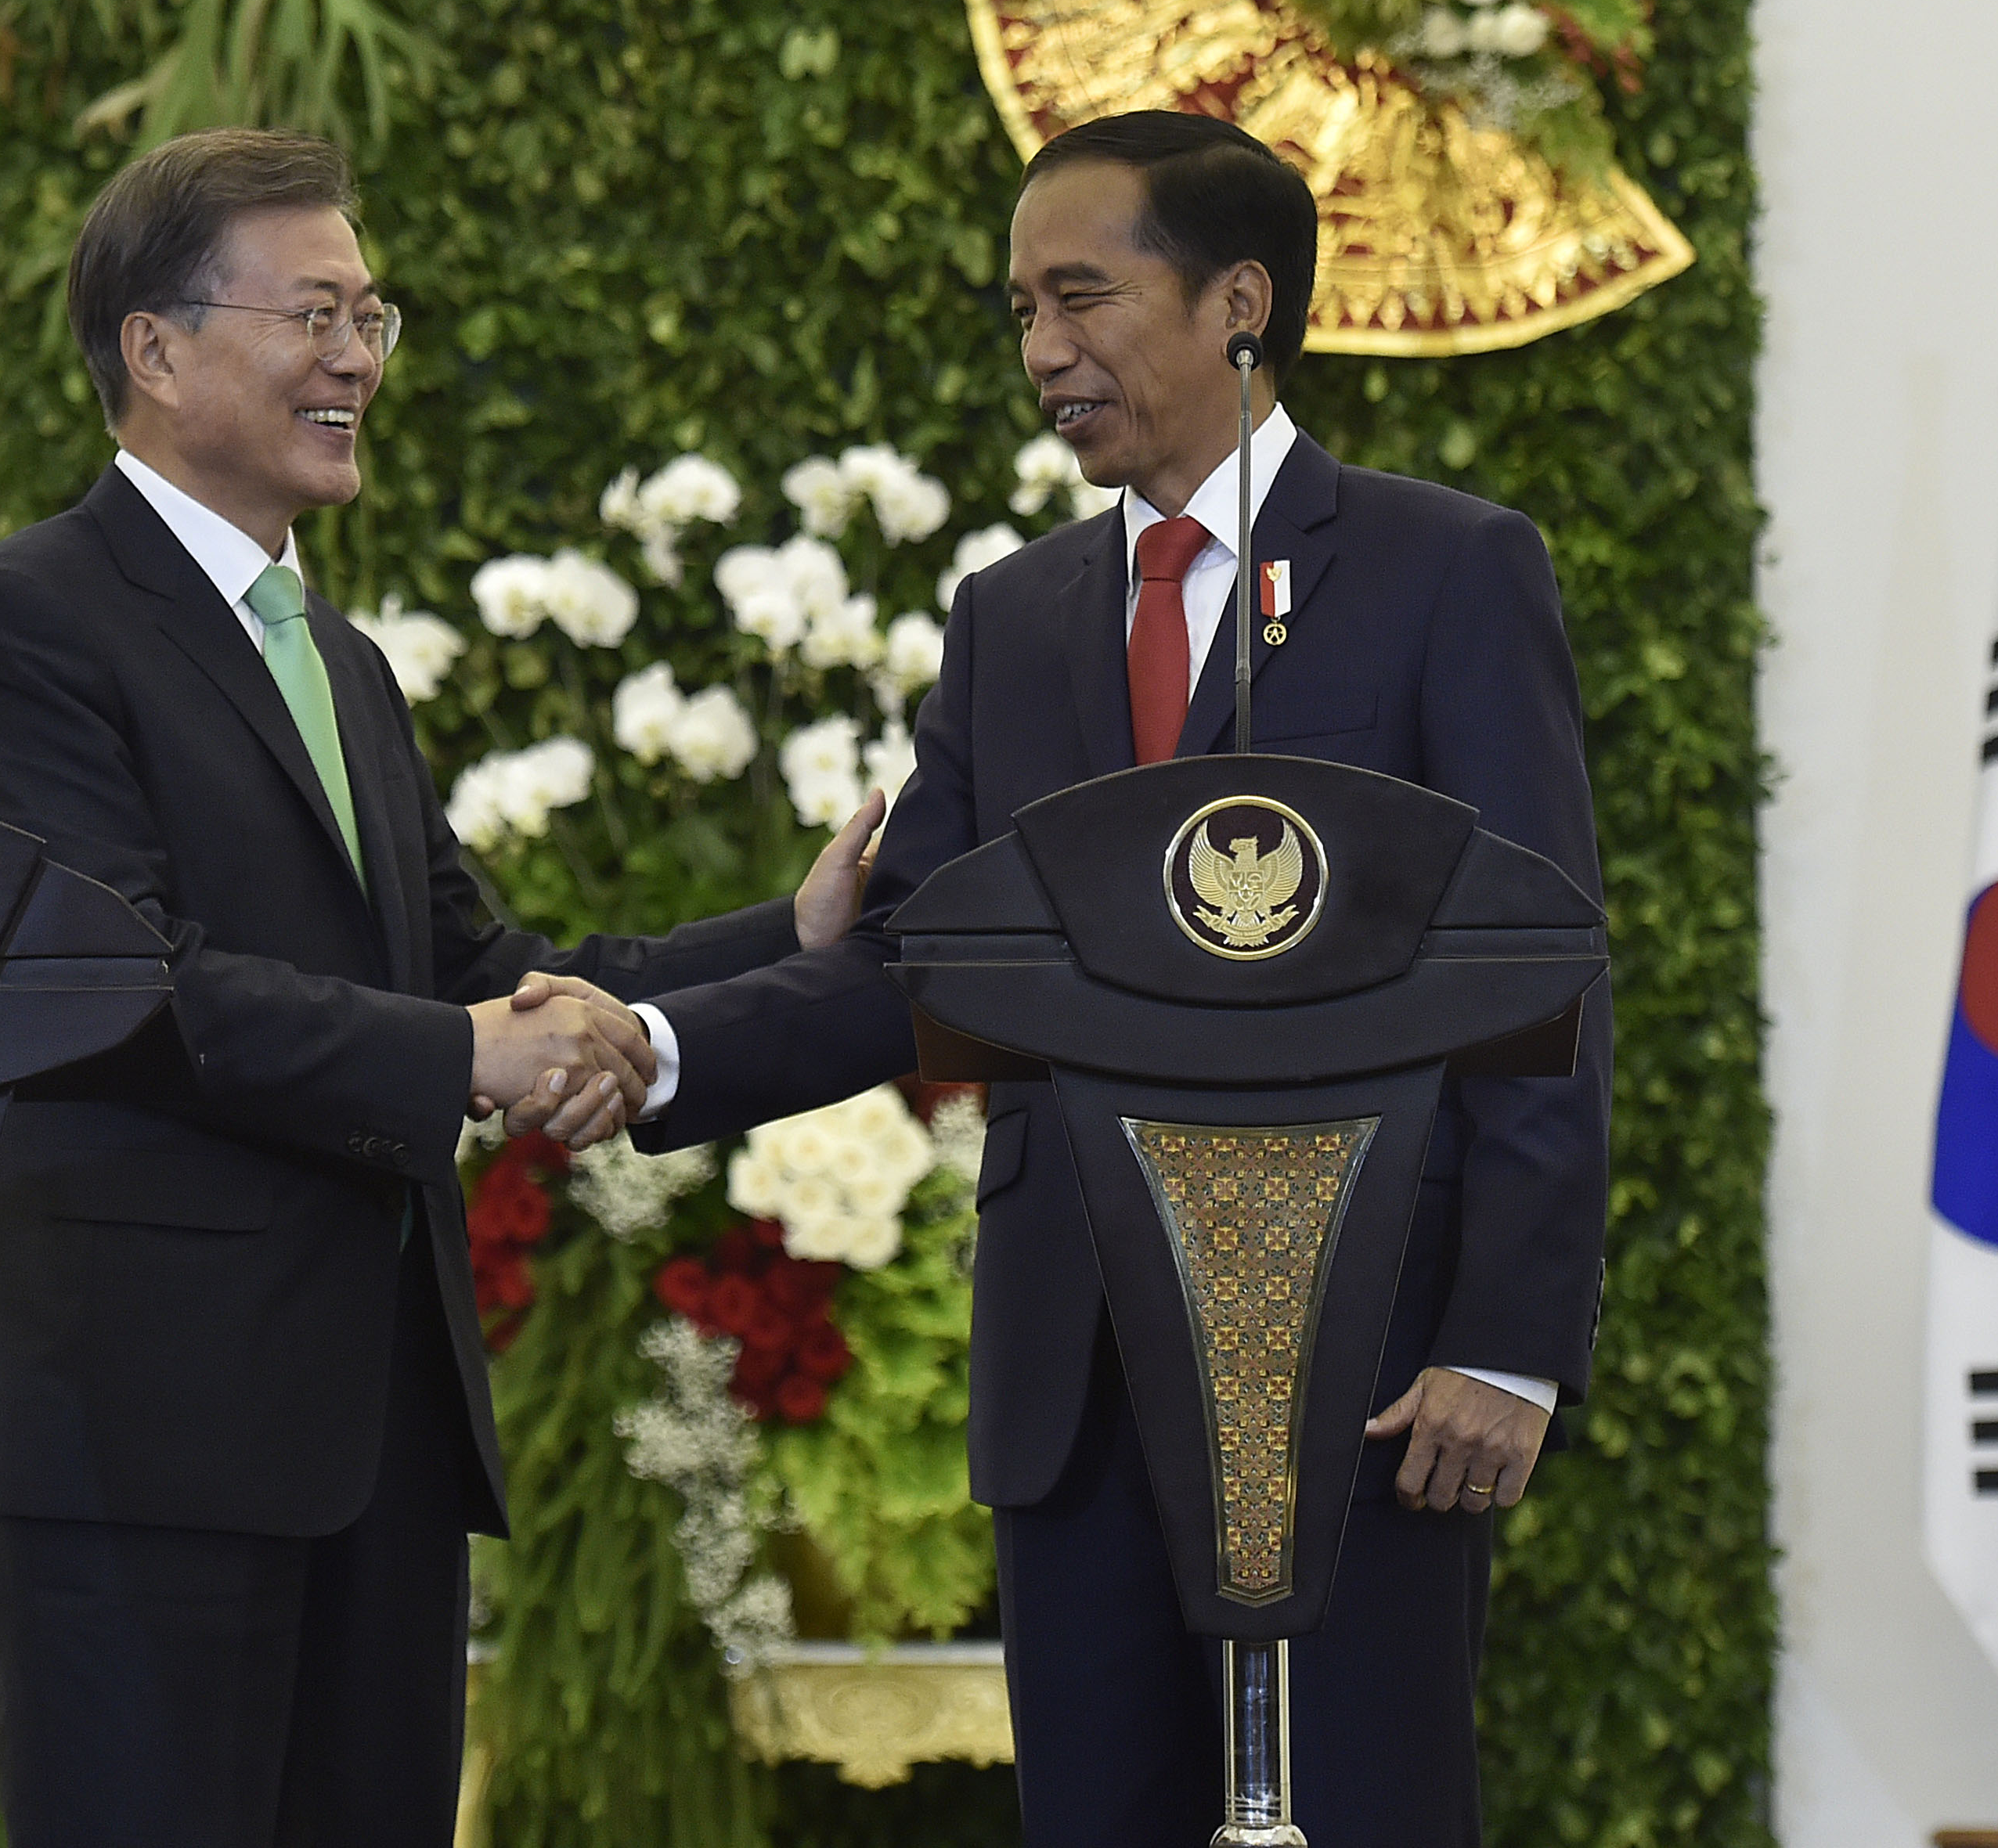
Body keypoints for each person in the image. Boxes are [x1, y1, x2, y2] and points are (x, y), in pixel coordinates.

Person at [611, 110, 1611, 1846]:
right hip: (1075, 1373)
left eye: (1081, 295)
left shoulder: (1448, 570)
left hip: (1370, 1368)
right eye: (1017, 310)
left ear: (1240, 302)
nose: (1042, 349)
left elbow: (1535, 970)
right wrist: (647, 1044)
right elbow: (912, 954)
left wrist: (1508, 1341)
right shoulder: (1015, 618)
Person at [0, 128, 876, 1848]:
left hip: (377, 1434)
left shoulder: (334, 657)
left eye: (374, 314)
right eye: (315, 313)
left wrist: (783, 936)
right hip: (150, 1434)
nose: (357, 356)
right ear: (155, 344)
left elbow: (481, 967)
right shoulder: (27, 622)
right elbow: (113, 981)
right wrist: (468, 1054)